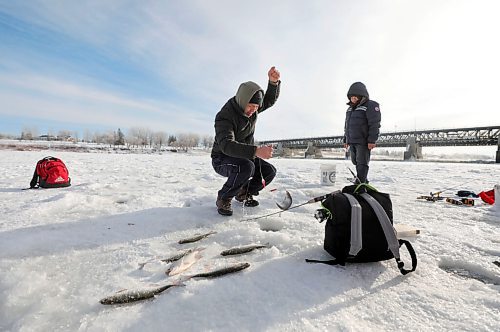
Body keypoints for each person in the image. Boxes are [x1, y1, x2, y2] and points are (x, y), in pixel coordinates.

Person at [211, 66, 281, 216]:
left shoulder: (252, 110)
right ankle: (224, 198)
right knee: (247, 167)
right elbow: (226, 145)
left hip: (244, 155)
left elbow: (268, 100)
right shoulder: (225, 116)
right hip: (222, 158)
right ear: (243, 100)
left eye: (256, 107)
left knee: (269, 171)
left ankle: (243, 192)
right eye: (250, 106)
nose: (253, 110)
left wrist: (273, 83)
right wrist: (256, 151)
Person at [343, 82, 381, 184]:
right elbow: (347, 126)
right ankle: (362, 179)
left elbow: (374, 124)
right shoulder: (349, 109)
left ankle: (361, 182)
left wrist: (372, 140)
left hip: (363, 140)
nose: (353, 99)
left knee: (362, 162)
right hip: (352, 140)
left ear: (361, 96)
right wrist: (345, 139)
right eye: (351, 97)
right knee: (355, 161)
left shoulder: (370, 105)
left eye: (356, 97)